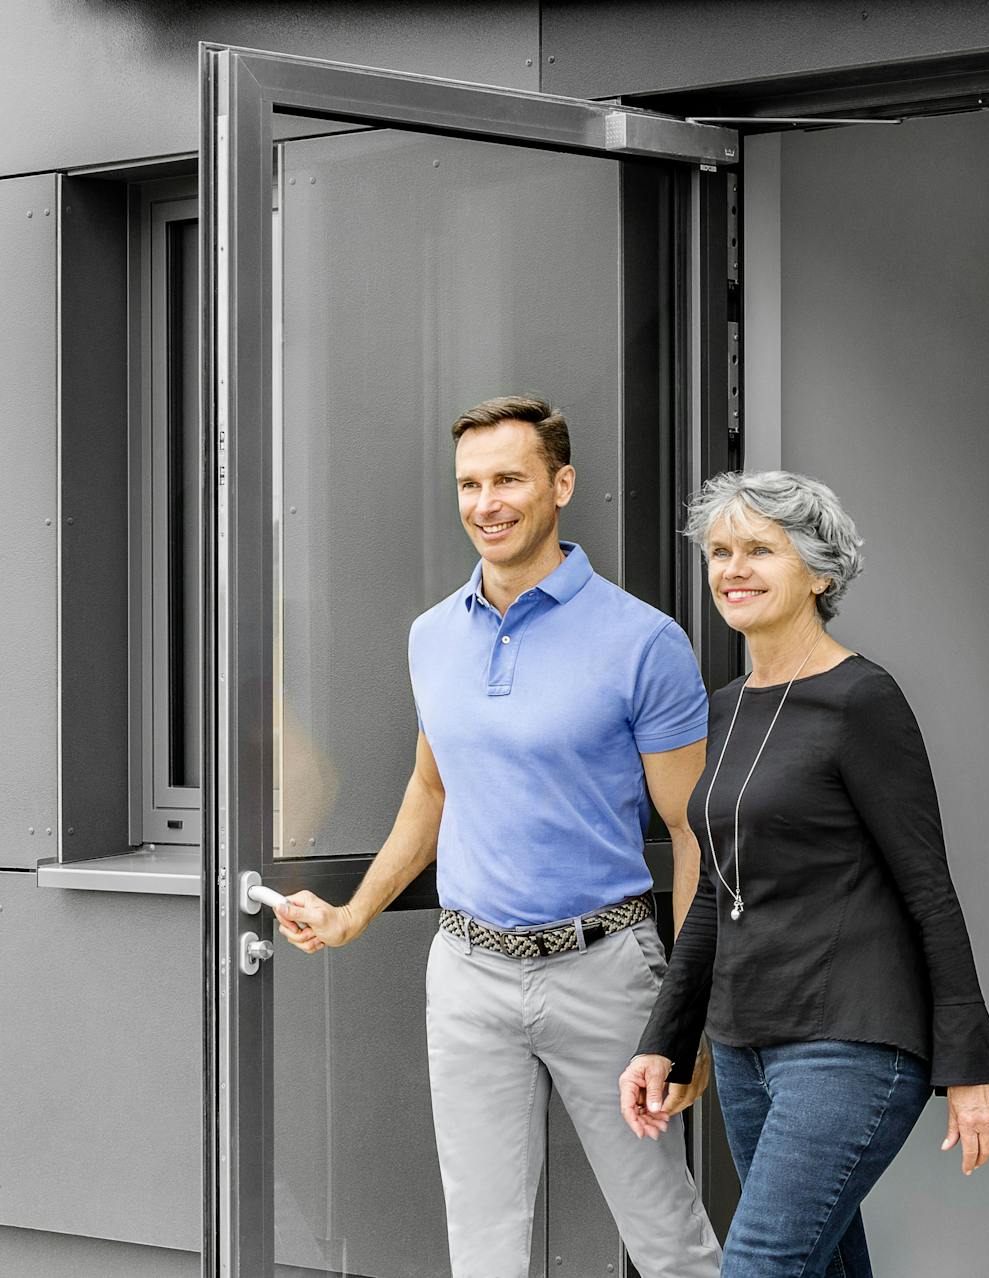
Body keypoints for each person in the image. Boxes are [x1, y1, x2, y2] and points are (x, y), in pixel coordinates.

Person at [273, 395, 721, 1278]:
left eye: (509, 479)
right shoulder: (433, 636)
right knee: (482, 1251)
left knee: (667, 1238)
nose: (488, 502)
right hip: (468, 972)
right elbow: (431, 788)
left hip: (608, 969)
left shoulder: (644, 642)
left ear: (561, 484)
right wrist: (356, 913)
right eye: (470, 484)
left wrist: (689, 1014)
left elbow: (692, 832)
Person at [619, 470, 989, 1278]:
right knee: (823, 1266)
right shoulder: (728, 707)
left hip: (849, 1041)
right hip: (744, 1042)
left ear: (820, 572)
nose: (733, 568)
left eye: (761, 550)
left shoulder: (863, 700)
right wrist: (666, 1039)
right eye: (721, 550)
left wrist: (971, 1065)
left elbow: (927, 887)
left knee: (761, 1265)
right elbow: (717, 897)